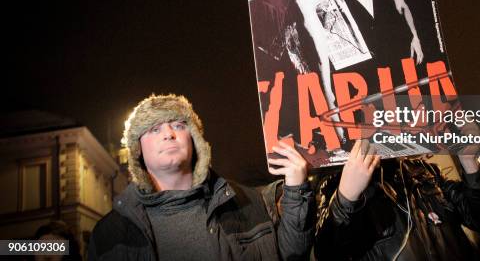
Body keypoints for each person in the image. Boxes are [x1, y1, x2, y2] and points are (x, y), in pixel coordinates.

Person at [88, 94, 315, 260]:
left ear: (195, 140)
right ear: (137, 149)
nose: (168, 134)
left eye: (178, 125)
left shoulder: (246, 202)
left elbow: (293, 255)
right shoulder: (109, 234)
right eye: (154, 129)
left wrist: (296, 189)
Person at [247, 0, 424, 145]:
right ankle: (334, 117)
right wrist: (414, 35)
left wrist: (414, 36)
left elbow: (402, 6)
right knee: (322, 71)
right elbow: (402, 6)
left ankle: (334, 119)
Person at [314, 127, 480, 260]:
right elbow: (329, 252)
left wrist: (469, 162)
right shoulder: (334, 185)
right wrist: (346, 197)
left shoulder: (423, 171)